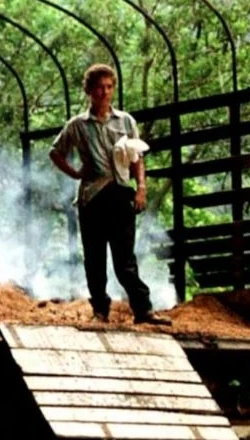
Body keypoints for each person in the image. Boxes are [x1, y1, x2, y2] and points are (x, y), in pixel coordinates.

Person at [50, 63, 171, 325]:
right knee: (94, 258)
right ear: (89, 91)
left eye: (109, 87)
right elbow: (55, 152)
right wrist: (74, 173)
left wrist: (141, 188)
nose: (105, 92)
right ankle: (100, 312)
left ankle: (143, 310)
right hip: (92, 197)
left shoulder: (125, 121)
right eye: (99, 87)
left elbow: (137, 157)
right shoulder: (77, 125)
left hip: (120, 193)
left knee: (124, 258)